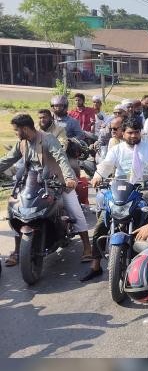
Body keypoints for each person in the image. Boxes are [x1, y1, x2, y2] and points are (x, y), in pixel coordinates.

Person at [0, 114, 91, 268]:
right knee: (16, 211)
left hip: (57, 182)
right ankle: (17, 250)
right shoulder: (22, 143)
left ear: (24, 129)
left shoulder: (48, 139)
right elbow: (7, 159)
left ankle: (87, 247)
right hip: (32, 183)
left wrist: (69, 178)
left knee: (75, 211)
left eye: (16, 130)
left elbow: (61, 158)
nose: (15, 133)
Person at [88, 118, 148, 281]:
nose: (133, 135)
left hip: (144, 188)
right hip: (120, 188)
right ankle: (95, 265)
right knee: (101, 224)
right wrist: (97, 176)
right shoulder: (117, 149)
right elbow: (106, 165)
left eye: (136, 132)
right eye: (130, 132)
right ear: (122, 133)